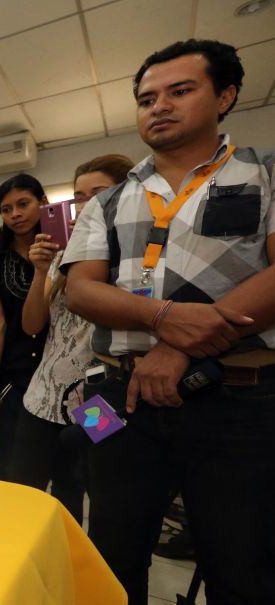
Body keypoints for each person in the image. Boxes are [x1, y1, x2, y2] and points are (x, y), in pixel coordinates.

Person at [63, 39, 275, 605]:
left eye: (180, 91)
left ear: (225, 96)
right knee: (111, 552)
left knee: (241, 563)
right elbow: (80, 289)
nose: (159, 106)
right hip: (118, 396)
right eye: (146, 99)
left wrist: (180, 347)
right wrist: (163, 316)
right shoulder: (107, 203)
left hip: (238, 397)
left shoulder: (265, 173)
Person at [9, 154, 134, 524]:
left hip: (99, 400)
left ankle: (69, 555)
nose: (88, 203)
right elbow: (32, 325)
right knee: (22, 490)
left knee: (78, 488)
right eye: (79, 197)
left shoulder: (133, 255)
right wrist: (40, 271)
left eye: (99, 193)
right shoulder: (64, 254)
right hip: (42, 398)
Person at [0, 174, 49, 480]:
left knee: (70, 469)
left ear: (43, 203)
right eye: (6, 209)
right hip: (14, 376)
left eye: (23, 204)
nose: (15, 214)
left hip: (66, 376)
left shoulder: (68, 251)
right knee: (12, 464)